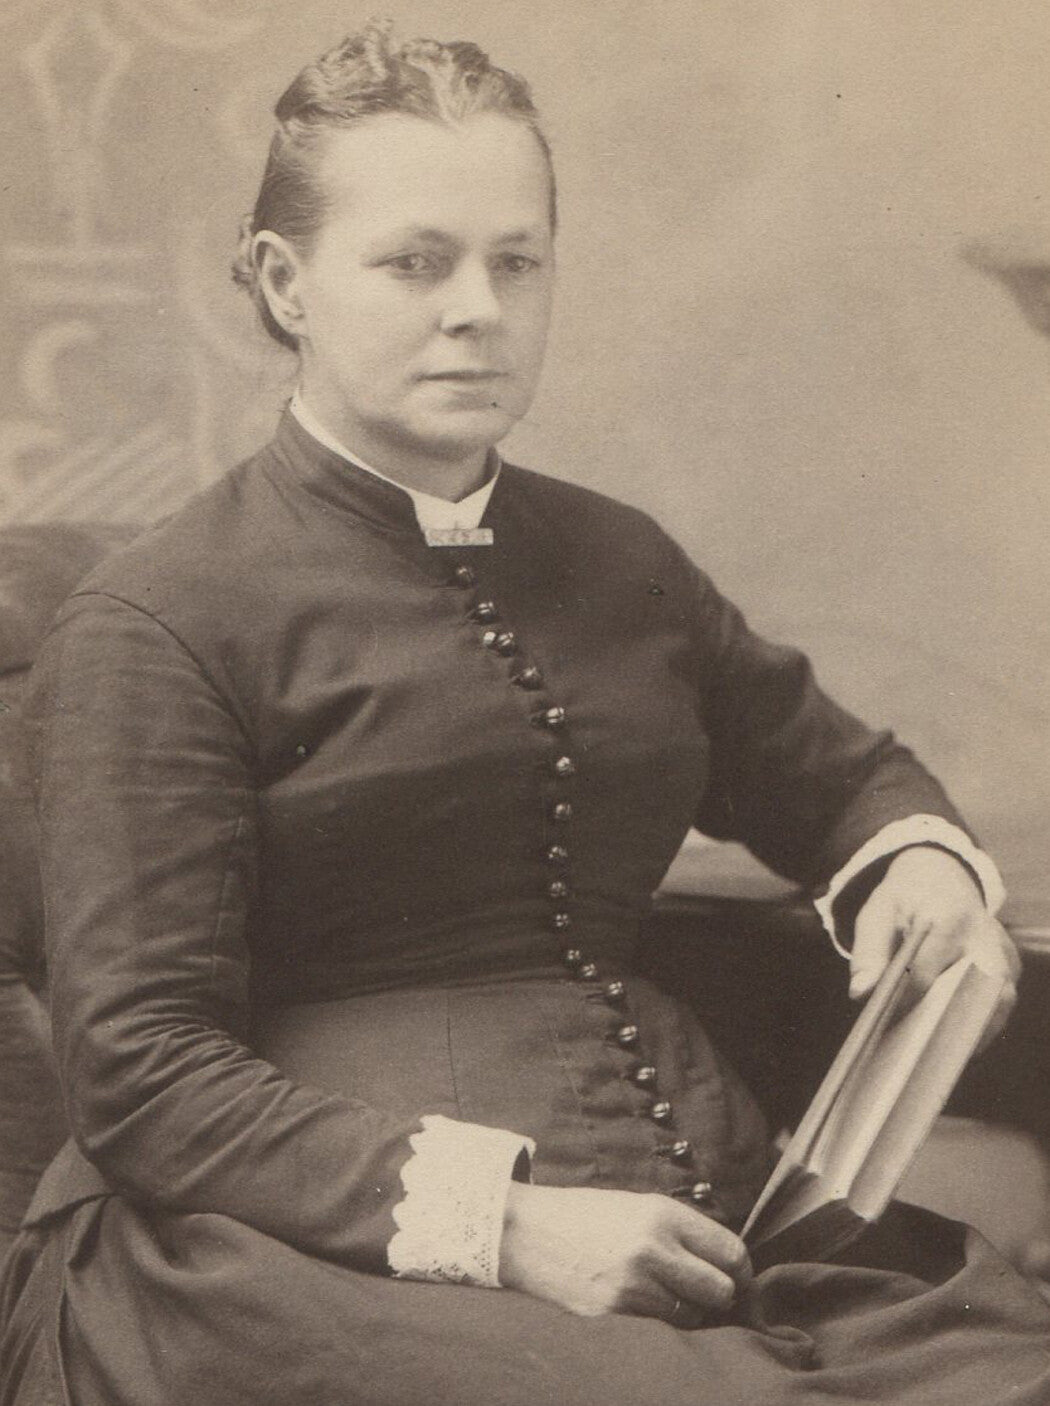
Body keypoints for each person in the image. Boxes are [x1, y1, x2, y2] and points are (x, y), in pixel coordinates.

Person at [0, 21, 1046, 1406]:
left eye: (516, 259)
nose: (476, 308)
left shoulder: (623, 562)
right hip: (290, 1251)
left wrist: (916, 861)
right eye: (413, 261)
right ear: (281, 281)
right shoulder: (161, 617)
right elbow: (140, 1070)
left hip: (711, 1226)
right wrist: (504, 1221)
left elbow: (837, 774)